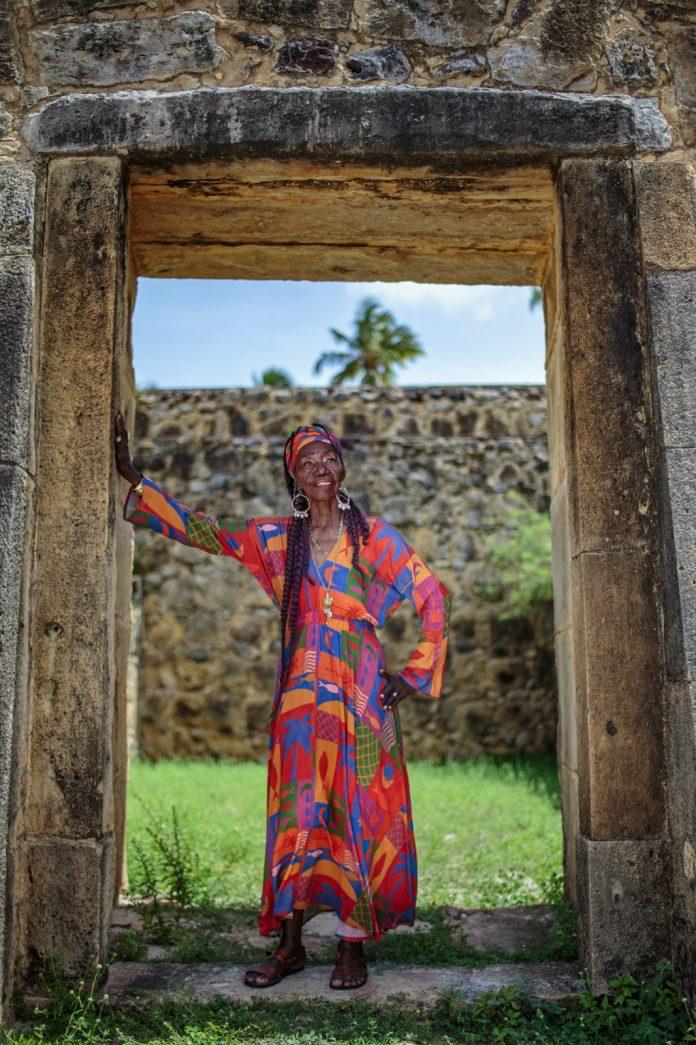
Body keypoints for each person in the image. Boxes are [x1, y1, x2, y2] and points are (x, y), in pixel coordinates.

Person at [114, 411, 451, 990]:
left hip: (362, 703)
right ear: (293, 477)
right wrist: (135, 479)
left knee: (358, 813)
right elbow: (207, 532)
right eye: (307, 462)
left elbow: (432, 596)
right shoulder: (274, 540)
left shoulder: (374, 537)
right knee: (297, 815)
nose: (320, 469)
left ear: (342, 469)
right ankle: (290, 946)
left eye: (329, 459)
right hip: (301, 701)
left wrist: (414, 675)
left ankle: (351, 948)